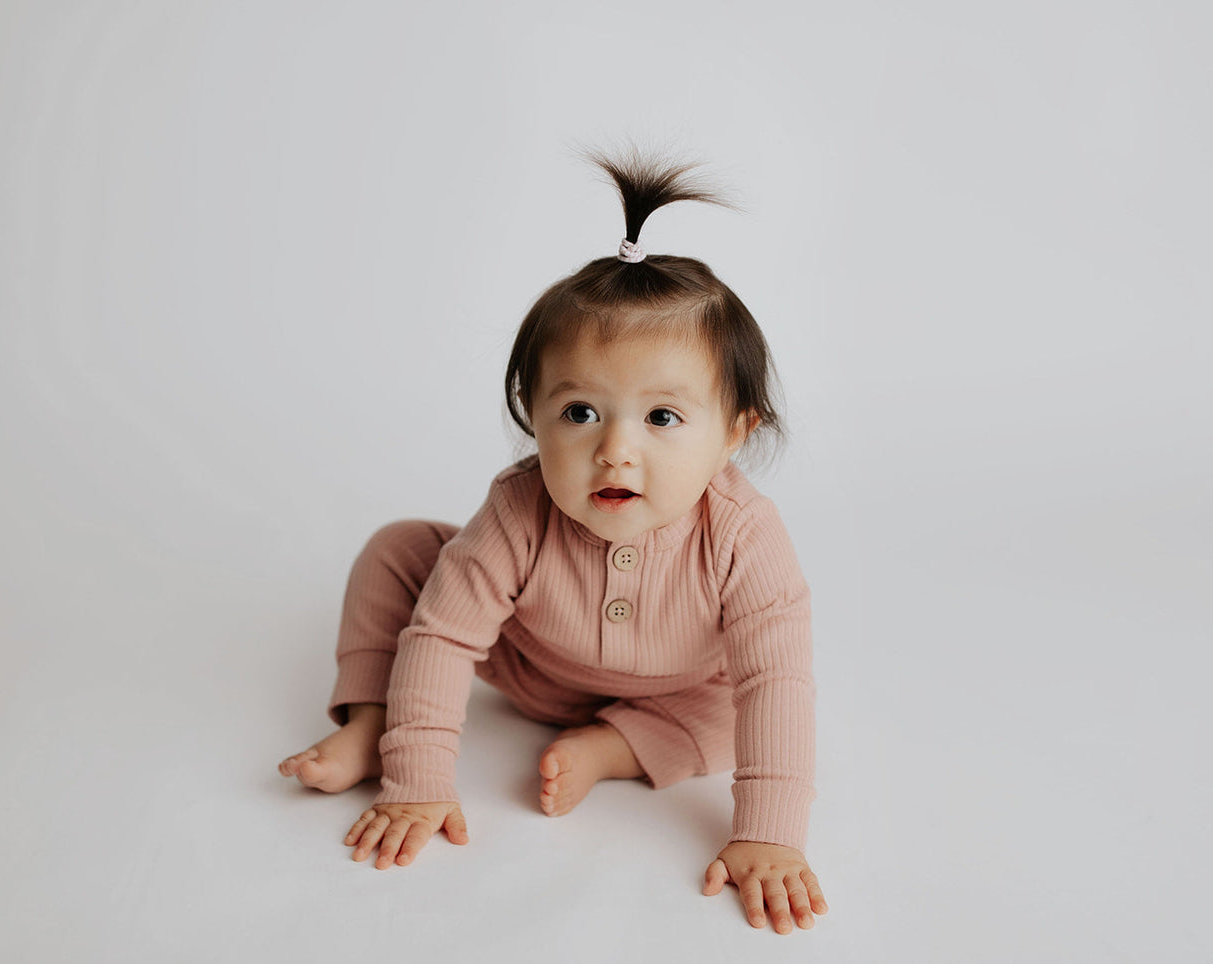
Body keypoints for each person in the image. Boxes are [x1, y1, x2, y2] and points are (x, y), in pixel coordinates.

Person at [278, 147, 829, 934]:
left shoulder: (743, 534)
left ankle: (613, 747)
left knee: (745, 710)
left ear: (735, 433)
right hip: (530, 661)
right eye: (578, 412)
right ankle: (370, 720)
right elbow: (439, 636)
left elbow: (775, 681)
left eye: (662, 418)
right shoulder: (519, 507)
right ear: (529, 414)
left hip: (681, 691)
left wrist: (768, 837)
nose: (614, 450)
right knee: (401, 550)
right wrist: (418, 780)